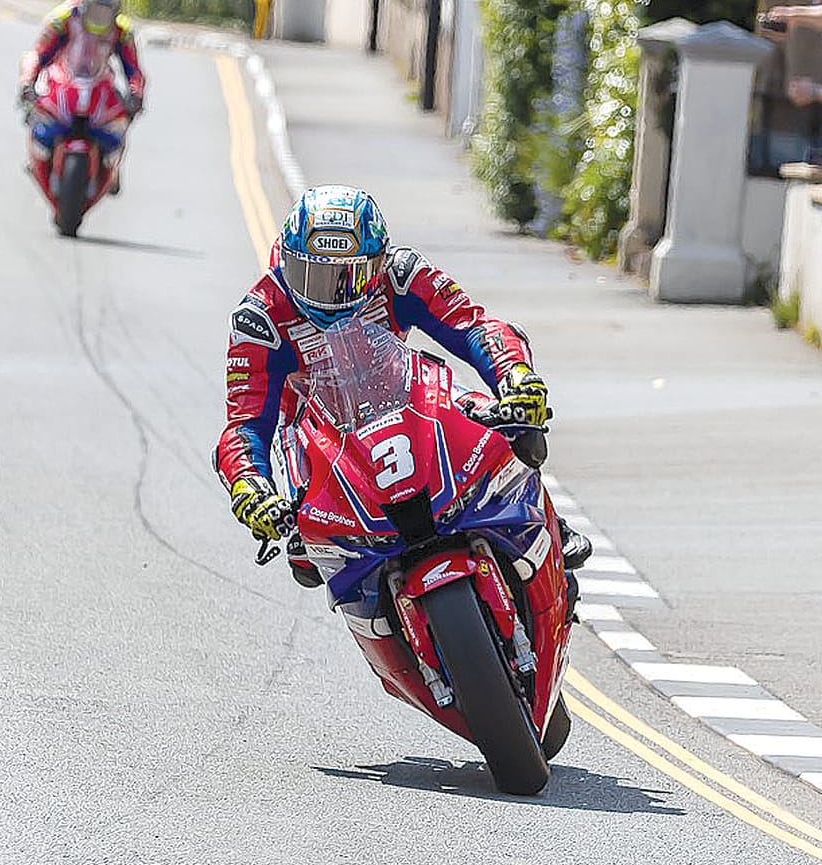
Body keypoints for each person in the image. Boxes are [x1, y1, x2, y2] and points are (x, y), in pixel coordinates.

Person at [218, 186, 593, 584]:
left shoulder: (401, 275)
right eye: (309, 275)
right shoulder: (260, 317)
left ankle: (545, 518)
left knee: (512, 424)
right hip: (314, 432)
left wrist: (516, 377)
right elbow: (244, 425)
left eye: (344, 278)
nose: (326, 294)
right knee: (302, 553)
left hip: (406, 395)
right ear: (287, 262)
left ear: (377, 265)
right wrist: (250, 485)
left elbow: (473, 327)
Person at [19, 0, 146, 191]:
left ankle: (113, 171)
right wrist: (27, 83)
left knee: (120, 125)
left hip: (100, 84)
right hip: (62, 80)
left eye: (106, 12)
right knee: (35, 113)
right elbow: (39, 53)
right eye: (96, 9)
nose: (100, 16)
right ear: (85, 5)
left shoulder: (122, 31)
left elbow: (133, 69)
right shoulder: (63, 19)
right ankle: (36, 160)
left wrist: (136, 95)